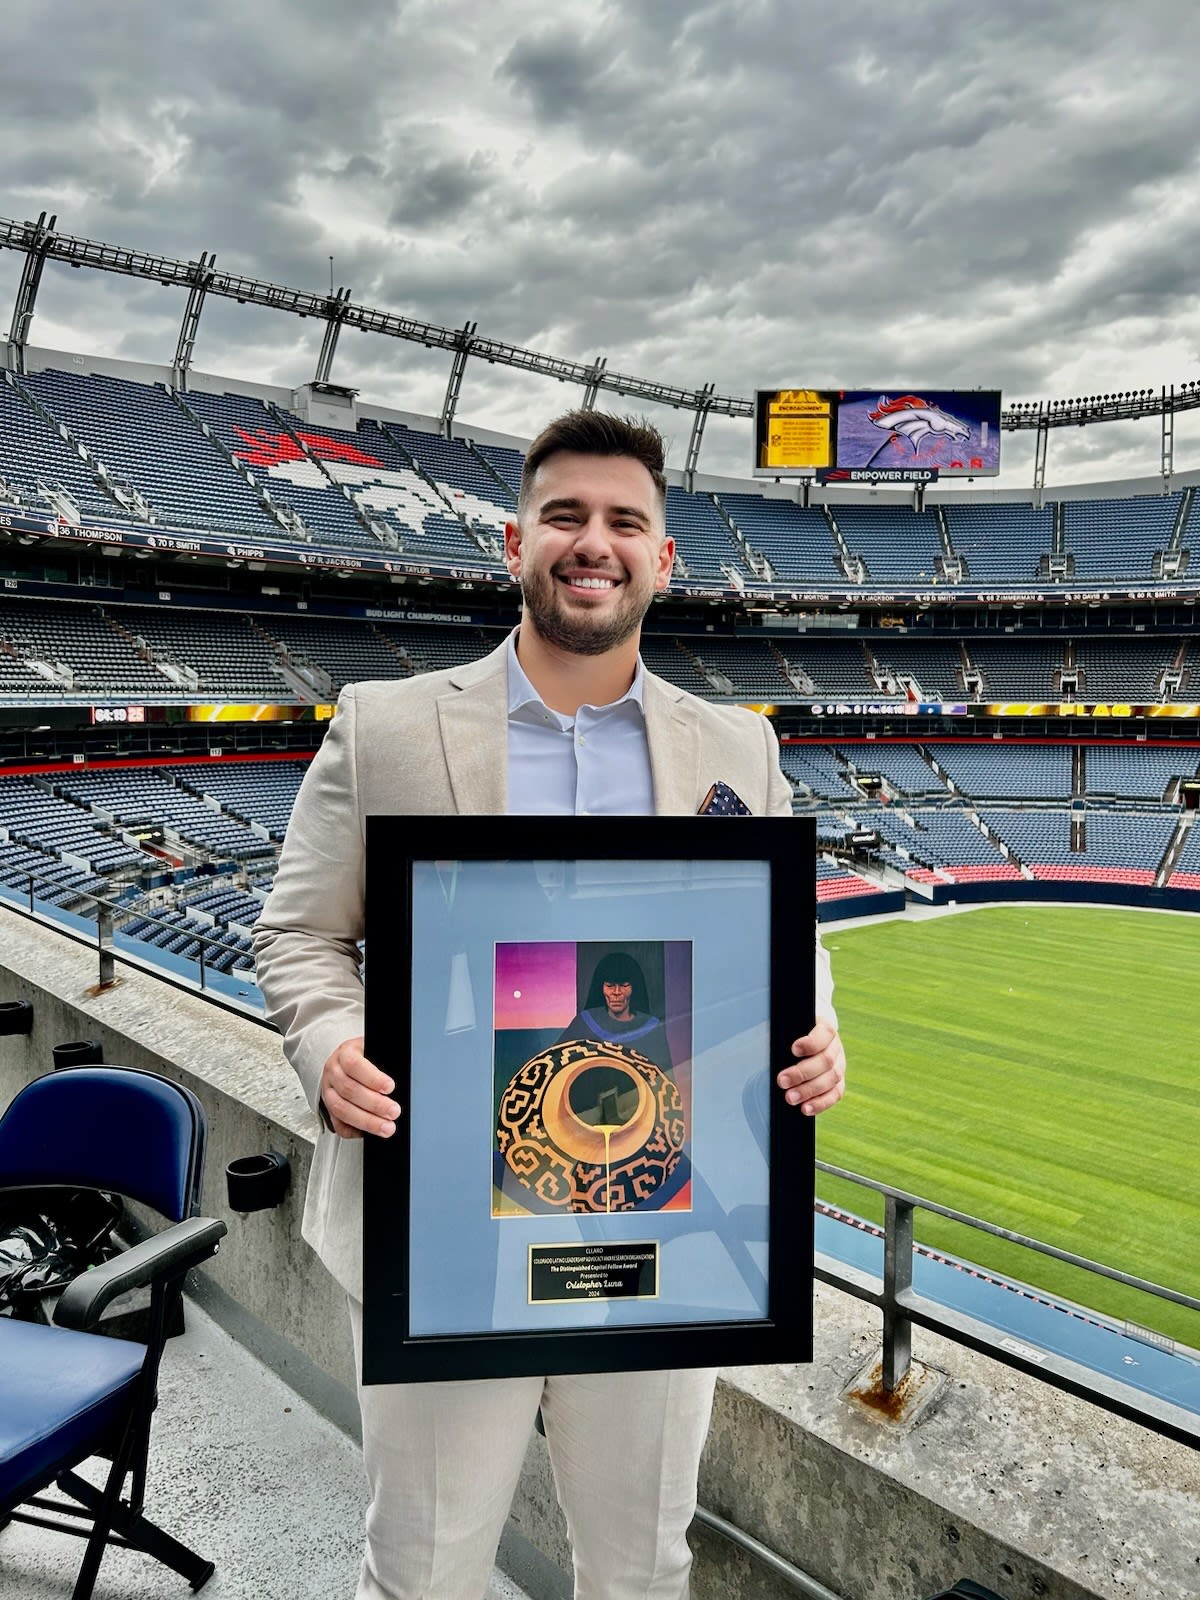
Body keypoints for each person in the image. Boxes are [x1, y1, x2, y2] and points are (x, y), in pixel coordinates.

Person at [253, 409, 845, 1600]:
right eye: (567, 516)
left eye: (626, 520)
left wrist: (820, 1023)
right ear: (518, 541)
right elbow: (301, 933)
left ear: (662, 556)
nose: (595, 542)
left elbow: (782, 940)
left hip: (665, 1228)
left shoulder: (740, 746)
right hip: (445, 1226)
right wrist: (329, 1045)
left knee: (641, 1562)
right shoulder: (386, 725)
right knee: (422, 1562)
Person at [556, 949, 675, 1076]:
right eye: (610, 985)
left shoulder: (652, 1028)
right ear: (601, 988)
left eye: (624, 985)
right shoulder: (584, 1022)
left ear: (634, 988)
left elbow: (666, 1080)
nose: (616, 992)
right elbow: (555, 1062)